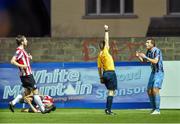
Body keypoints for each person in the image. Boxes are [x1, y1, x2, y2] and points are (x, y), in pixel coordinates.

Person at [9, 35, 52, 114]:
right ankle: (43, 109)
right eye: (25, 40)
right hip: (27, 75)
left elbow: (21, 60)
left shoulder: (22, 51)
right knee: (35, 92)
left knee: (26, 93)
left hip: (24, 76)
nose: (26, 41)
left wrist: (28, 58)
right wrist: (23, 66)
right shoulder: (19, 51)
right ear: (22, 42)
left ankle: (12, 103)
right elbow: (12, 61)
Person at [136, 38, 164, 115]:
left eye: (148, 42)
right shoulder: (149, 51)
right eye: (146, 42)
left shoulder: (156, 50)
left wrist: (145, 57)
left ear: (152, 44)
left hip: (159, 72)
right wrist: (139, 56)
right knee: (149, 91)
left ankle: (157, 110)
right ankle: (154, 109)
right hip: (153, 72)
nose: (146, 44)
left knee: (155, 89)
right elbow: (145, 61)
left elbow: (155, 61)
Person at [97, 25, 117, 115]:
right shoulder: (105, 51)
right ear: (105, 46)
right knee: (111, 92)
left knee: (110, 91)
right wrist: (106, 30)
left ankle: (107, 109)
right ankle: (108, 110)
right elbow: (107, 40)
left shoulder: (99, 55)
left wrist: (101, 78)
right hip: (110, 73)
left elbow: (99, 68)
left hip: (104, 74)